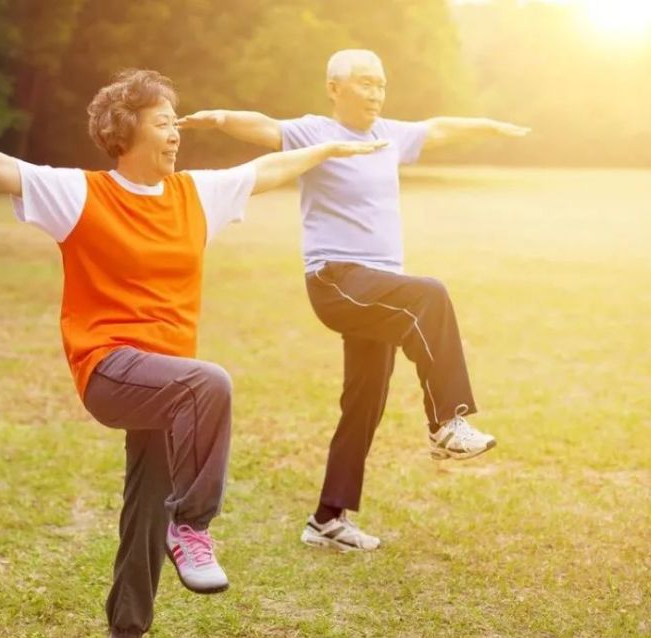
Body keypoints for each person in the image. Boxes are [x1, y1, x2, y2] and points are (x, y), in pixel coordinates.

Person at [0, 68, 385, 638]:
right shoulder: (80, 194)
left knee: (144, 506)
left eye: (175, 122)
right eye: (163, 123)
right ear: (126, 132)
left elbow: (265, 171)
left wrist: (329, 147)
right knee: (210, 385)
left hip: (167, 386)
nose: (175, 134)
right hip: (109, 370)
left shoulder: (195, 195)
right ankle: (193, 526)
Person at [180, 49, 530, 553]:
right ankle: (447, 423)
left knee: (364, 402)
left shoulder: (389, 136)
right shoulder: (315, 132)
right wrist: (220, 118)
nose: (376, 93)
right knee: (429, 296)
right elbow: (264, 128)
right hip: (337, 279)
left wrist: (489, 126)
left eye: (381, 85)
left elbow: (439, 128)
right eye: (365, 83)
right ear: (335, 87)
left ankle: (326, 520)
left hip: (378, 292)